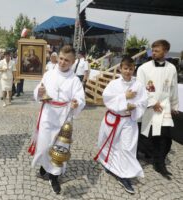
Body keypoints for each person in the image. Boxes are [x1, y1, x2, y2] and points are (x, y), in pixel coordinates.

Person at [30, 45, 85, 194]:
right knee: (44, 145)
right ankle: (44, 165)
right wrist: (39, 92)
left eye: (67, 60)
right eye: (61, 58)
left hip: (64, 117)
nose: (62, 62)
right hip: (48, 114)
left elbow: (80, 98)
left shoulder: (75, 80)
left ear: (73, 62)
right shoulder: (49, 74)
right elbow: (39, 89)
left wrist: (76, 103)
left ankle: (54, 176)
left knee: (59, 148)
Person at [94, 56, 147, 194]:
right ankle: (109, 164)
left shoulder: (138, 85)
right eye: (125, 68)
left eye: (130, 68)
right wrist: (124, 97)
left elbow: (143, 102)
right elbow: (107, 98)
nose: (128, 71)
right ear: (120, 69)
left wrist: (134, 106)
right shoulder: (114, 84)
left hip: (129, 120)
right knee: (110, 144)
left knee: (127, 148)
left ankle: (124, 176)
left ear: (134, 68)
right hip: (114, 119)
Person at [137, 39, 179, 180]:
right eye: (153, 50)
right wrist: (152, 102)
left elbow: (173, 89)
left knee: (165, 138)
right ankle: (146, 156)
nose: (153, 53)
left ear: (165, 52)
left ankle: (159, 163)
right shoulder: (143, 68)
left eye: (157, 51)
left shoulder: (172, 68)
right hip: (149, 107)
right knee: (145, 136)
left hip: (164, 107)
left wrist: (174, 105)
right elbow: (140, 88)